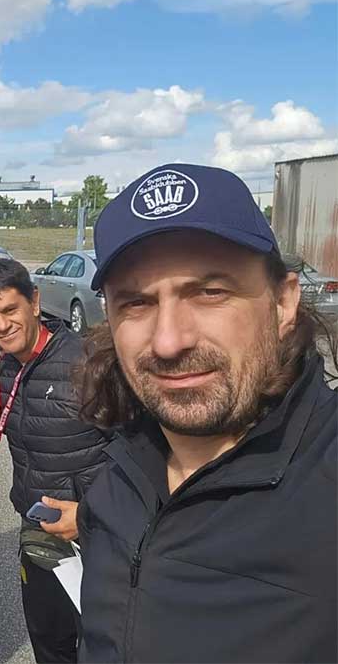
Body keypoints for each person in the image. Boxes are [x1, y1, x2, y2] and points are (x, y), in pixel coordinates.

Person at [75, 163, 337, 662]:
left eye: (210, 292)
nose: (170, 340)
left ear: (283, 303)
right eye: (135, 302)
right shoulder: (119, 474)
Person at [0, 258, 108, 663]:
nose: (1, 325)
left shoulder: (86, 365)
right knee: (49, 644)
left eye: (10, 310)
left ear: (34, 302)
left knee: (103, 648)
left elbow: (136, 453)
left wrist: (90, 514)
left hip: (95, 538)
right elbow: (13, 417)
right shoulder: (11, 366)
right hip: (39, 531)